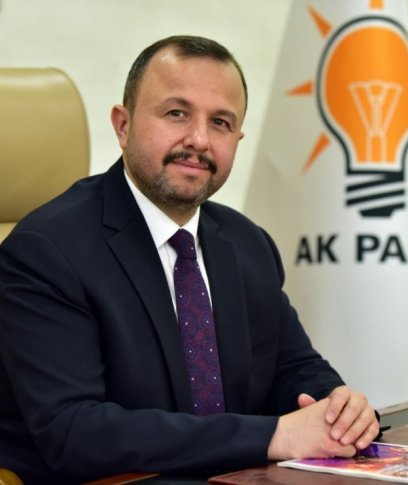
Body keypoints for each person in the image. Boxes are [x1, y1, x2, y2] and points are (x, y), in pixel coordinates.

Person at [0, 35, 379, 483]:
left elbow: (293, 368)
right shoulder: (47, 250)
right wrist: (275, 436)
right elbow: (75, 433)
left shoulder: (248, 243)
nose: (199, 140)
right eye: (176, 113)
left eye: (220, 122)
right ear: (123, 125)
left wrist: (337, 409)